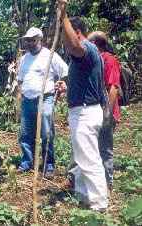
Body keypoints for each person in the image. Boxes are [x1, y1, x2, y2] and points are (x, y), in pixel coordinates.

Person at [59, 0, 108, 211]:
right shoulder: (89, 54)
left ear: (77, 32)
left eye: (68, 33)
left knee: (88, 159)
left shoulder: (85, 49)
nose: (65, 42)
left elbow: (73, 45)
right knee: (82, 156)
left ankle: (99, 204)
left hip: (86, 112)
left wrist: (63, 16)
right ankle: (83, 194)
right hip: (86, 110)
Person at [16, 27, 68, 178]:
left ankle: (48, 164)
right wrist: (19, 97)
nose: (30, 43)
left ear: (39, 40)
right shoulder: (25, 58)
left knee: (46, 132)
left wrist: (61, 83)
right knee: (25, 133)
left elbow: (65, 71)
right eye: (28, 40)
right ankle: (27, 162)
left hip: (45, 97)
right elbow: (20, 80)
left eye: (33, 40)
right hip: (27, 99)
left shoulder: (49, 54)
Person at [88, 31, 121, 190]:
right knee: (93, 146)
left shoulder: (109, 60)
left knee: (104, 147)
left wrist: (106, 112)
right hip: (93, 110)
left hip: (105, 111)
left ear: (95, 44)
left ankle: (107, 182)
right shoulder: (94, 60)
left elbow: (113, 87)